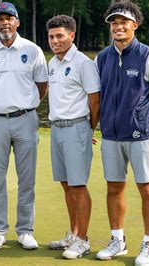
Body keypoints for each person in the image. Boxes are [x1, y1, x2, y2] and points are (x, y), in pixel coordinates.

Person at [95, 2, 149, 266]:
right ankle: (118, 240)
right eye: (114, 23)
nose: (118, 26)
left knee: (146, 188)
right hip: (112, 136)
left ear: (134, 25)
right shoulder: (102, 57)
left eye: (123, 22)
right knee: (114, 187)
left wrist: (145, 120)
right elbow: (97, 96)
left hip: (142, 136)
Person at [0, 2, 48, 251]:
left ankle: (25, 230)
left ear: (17, 22)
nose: (4, 23)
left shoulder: (32, 50)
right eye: (0, 19)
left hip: (25, 119)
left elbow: (42, 86)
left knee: (27, 179)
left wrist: (24, 106)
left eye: (9, 18)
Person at [45, 15, 100, 259]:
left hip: (77, 128)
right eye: (51, 36)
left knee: (78, 185)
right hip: (56, 128)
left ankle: (83, 240)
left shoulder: (83, 63)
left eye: (59, 36)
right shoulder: (52, 63)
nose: (54, 41)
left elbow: (95, 100)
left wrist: (89, 129)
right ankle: (73, 233)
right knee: (66, 184)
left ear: (72, 36)